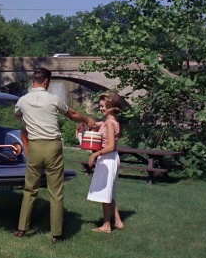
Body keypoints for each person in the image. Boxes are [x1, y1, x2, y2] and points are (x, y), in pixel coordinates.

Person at [12, 67, 92, 243]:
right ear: (47, 81)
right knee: (55, 191)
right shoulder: (54, 99)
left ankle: (22, 229)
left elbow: (18, 115)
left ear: (34, 80)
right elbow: (72, 114)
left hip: (34, 147)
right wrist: (87, 120)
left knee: (30, 189)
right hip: (53, 146)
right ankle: (56, 234)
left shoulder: (23, 101)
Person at [86, 92, 125, 233]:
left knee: (104, 193)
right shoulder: (110, 122)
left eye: (103, 106)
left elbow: (111, 146)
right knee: (110, 192)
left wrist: (95, 154)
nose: (101, 108)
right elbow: (98, 124)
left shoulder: (109, 123)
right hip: (112, 158)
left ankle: (106, 225)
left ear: (111, 107)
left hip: (108, 158)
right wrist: (88, 121)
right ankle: (119, 222)